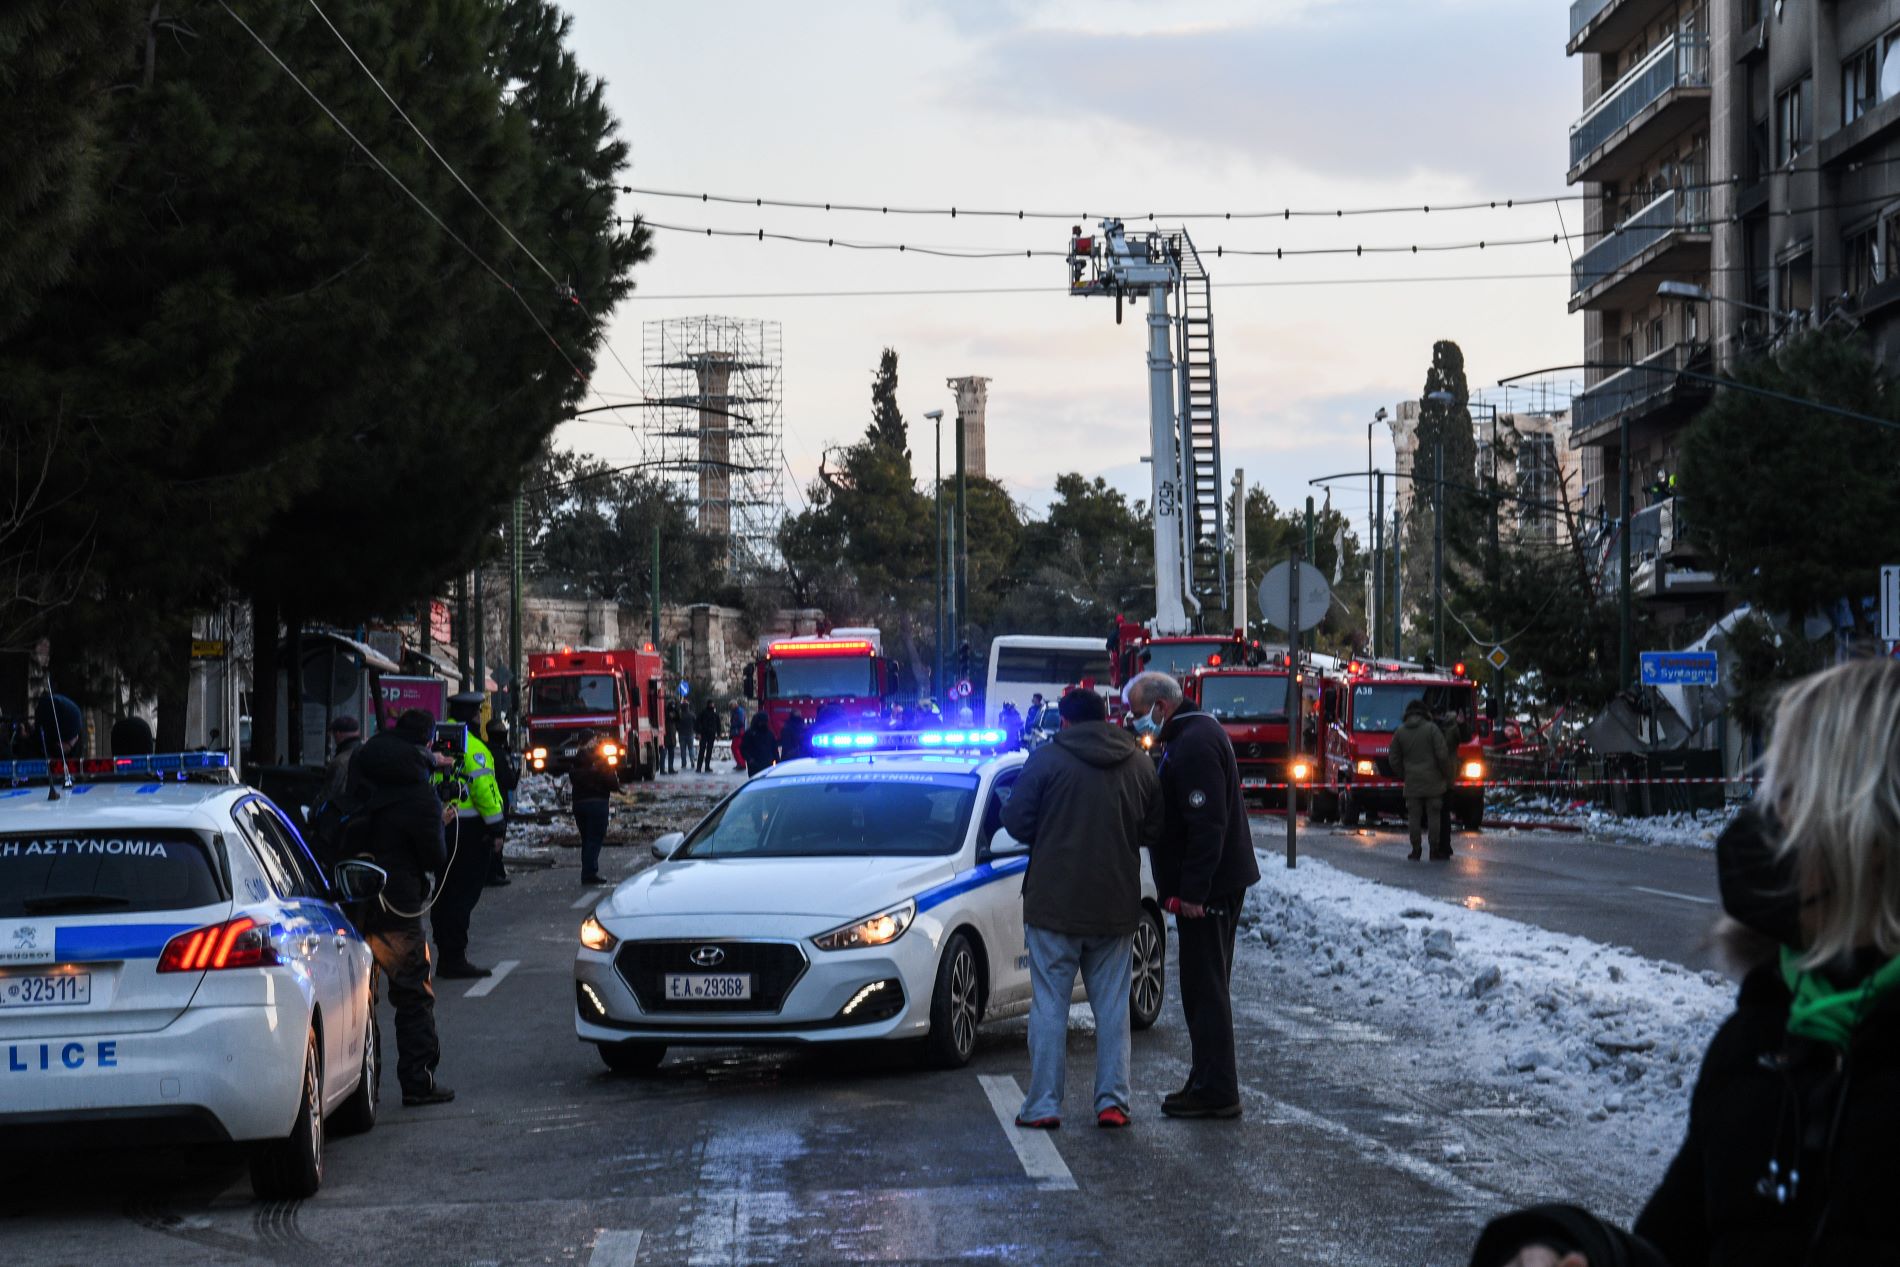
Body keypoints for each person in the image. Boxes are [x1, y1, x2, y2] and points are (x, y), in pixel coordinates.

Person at [1470, 658, 1900, 1267]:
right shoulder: (1761, 1040)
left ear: (1872, 831)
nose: (1766, 825)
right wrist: (1577, 1252)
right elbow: (1673, 1248)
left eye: (1790, 794)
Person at [1002, 688, 1163, 1131]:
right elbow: (1155, 826)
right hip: (1115, 901)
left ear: (1065, 722)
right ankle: (1113, 1102)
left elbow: (1015, 822)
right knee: (1112, 1007)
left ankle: (1043, 1105)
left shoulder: (1046, 761)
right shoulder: (1138, 761)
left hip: (1054, 904)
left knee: (1050, 1004)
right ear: (1106, 717)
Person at [1125, 669, 1259, 1120]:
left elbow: (1208, 825)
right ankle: (1206, 1078)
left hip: (1211, 890)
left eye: (1139, 714)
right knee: (1202, 987)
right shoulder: (1190, 735)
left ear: (1161, 708)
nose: (1136, 722)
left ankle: (1217, 1088)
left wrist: (1195, 891)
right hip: (1210, 885)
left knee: (1206, 990)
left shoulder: (1195, 743)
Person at [344, 708, 454, 1106]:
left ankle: (356, 1086)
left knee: (356, 999)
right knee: (412, 995)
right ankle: (417, 1081)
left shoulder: (360, 769)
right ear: (426, 743)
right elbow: (434, 856)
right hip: (398, 907)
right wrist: (439, 820)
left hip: (351, 899)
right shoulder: (419, 792)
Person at [431, 693, 506, 979]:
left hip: (440, 827)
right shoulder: (474, 748)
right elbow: (485, 792)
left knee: (443, 891)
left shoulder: (434, 742)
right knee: (462, 895)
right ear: (475, 715)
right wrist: (497, 828)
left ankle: (445, 952)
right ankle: (454, 957)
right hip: (469, 834)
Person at [1389, 698, 1455, 861]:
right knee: (1434, 816)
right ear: (1424, 713)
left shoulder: (1400, 731)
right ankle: (1434, 850)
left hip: (1412, 781)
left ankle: (1416, 849)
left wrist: (1403, 774)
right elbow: (1442, 755)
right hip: (1434, 782)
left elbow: (1393, 758)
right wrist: (1446, 775)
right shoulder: (1432, 729)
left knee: (1414, 817)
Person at [569, 732, 618, 886]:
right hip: (598, 803)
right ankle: (589, 873)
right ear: (590, 742)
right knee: (594, 839)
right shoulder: (601, 761)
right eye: (595, 740)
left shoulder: (575, 761)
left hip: (579, 804)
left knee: (586, 839)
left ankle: (587, 871)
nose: (597, 743)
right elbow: (612, 783)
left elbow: (574, 779)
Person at [484, 718, 518, 886]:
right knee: (497, 839)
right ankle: (495, 872)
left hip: (483, 801)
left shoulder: (483, 751)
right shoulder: (501, 755)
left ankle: (490, 871)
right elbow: (511, 781)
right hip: (498, 802)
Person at [323, 715, 362, 800]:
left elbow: (328, 794)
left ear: (338, 734)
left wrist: (313, 812)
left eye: (333, 735)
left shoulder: (340, 762)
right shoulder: (367, 752)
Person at [741, 711, 777, 777]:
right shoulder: (750, 733)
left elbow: (774, 749)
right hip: (755, 764)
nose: (765, 723)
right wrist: (750, 759)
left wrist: (777, 760)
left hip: (767, 763)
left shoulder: (769, 733)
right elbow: (744, 748)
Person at [695, 699, 720, 772]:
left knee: (708, 751)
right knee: (702, 751)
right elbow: (698, 723)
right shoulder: (703, 713)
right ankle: (700, 767)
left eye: (713, 704)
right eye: (711, 704)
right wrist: (698, 733)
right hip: (704, 734)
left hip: (710, 734)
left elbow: (718, 725)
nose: (712, 705)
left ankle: (706, 767)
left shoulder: (715, 714)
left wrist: (718, 734)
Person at [663, 697, 683, 774]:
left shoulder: (673, 714)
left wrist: (676, 710)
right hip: (667, 736)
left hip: (670, 737)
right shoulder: (666, 713)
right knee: (665, 753)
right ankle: (666, 768)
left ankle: (669, 768)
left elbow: (678, 718)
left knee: (670, 753)